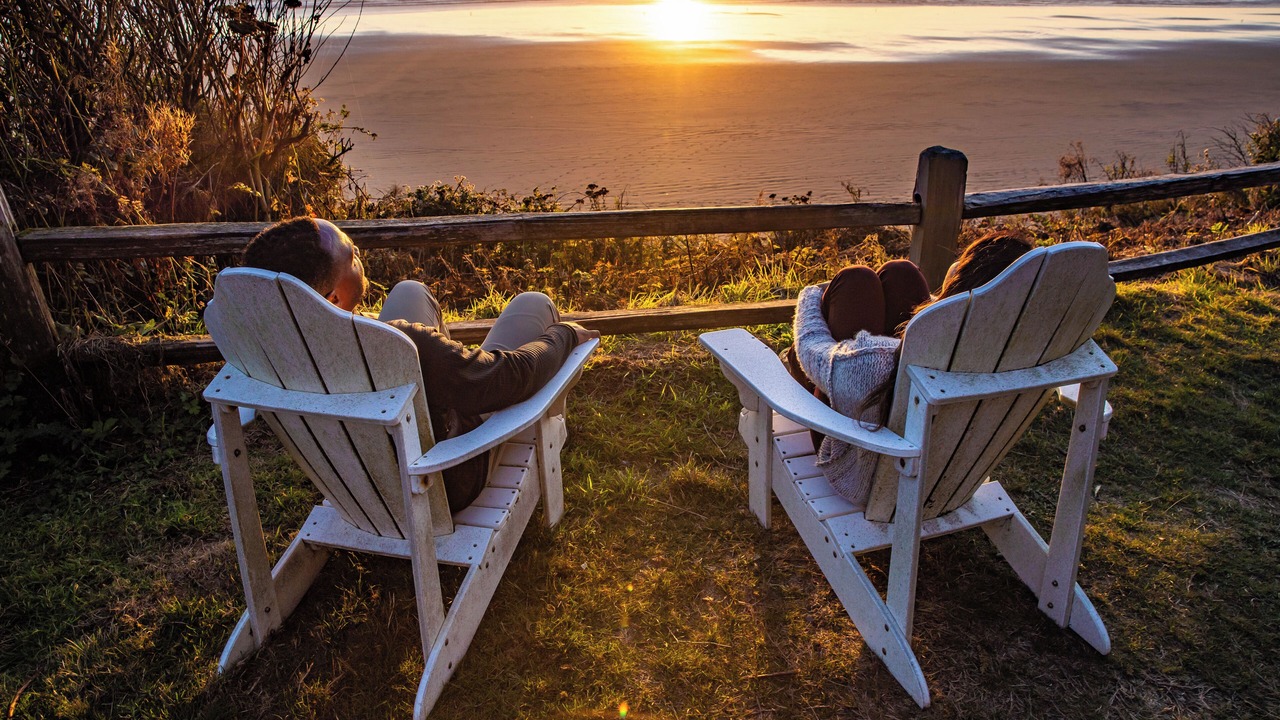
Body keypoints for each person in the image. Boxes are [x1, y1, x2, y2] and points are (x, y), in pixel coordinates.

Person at [238, 217, 599, 513]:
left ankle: (454, 366)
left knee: (409, 289)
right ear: (333, 297)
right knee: (534, 303)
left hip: (353, 479)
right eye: (352, 257)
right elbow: (513, 376)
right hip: (440, 476)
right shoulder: (401, 345)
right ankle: (543, 423)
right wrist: (563, 335)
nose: (360, 256)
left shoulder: (272, 349)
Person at [787, 232, 1033, 509]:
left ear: (965, 276)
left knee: (855, 279)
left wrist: (810, 294)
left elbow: (810, 343)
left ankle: (798, 369)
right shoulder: (1015, 349)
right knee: (901, 272)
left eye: (963, 259)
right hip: (950, 471)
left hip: (865, 468)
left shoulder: (871, 362)